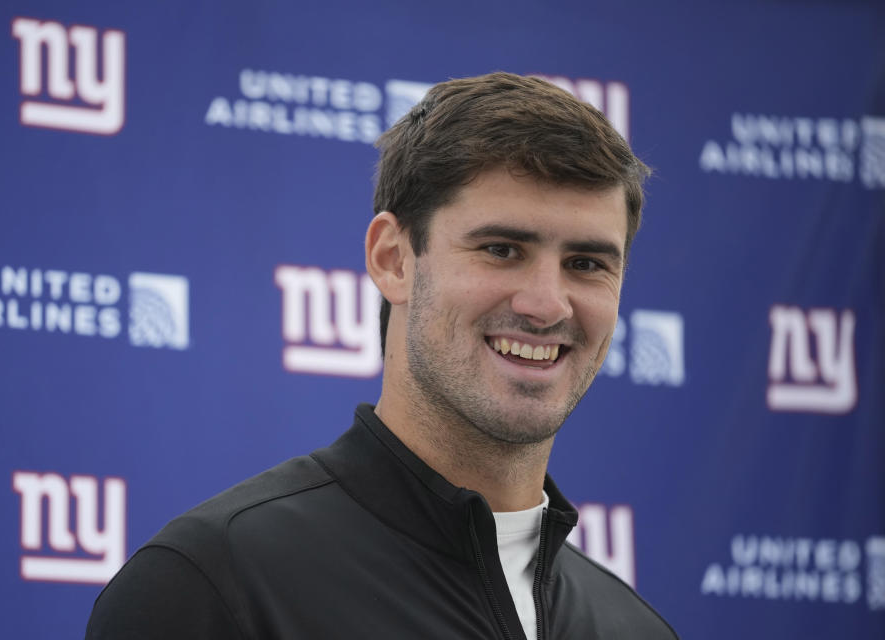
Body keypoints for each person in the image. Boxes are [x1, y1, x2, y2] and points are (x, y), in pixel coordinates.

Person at [85, 72, 678, 640]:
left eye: (587, 264)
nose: (547, 305)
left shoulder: (635, 629)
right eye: (501, 249)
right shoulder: (213, 584)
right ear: (393, 259)